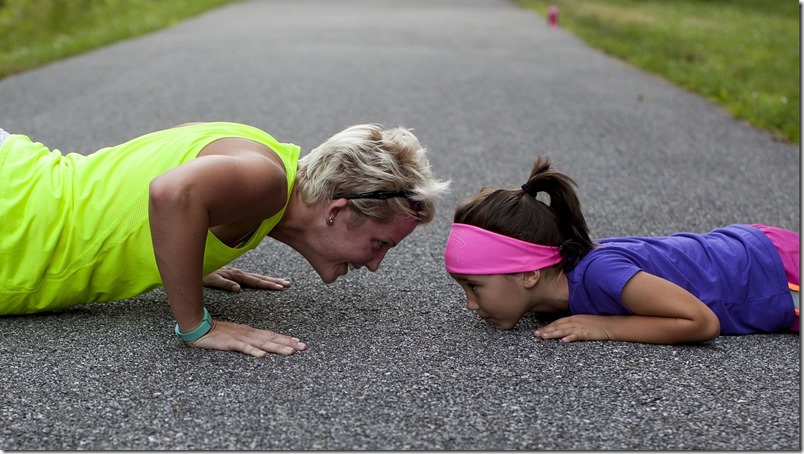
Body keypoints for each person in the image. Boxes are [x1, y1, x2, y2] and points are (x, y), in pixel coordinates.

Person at [0, 121, 450, 357]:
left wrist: (186, 255)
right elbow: (171, 192)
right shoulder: (267, 181)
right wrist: (198, 325)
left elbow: (147, 186)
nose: (375, 264)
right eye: (380, 244)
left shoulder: (266, 164)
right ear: (337, 212)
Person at [444, 156, 799, 345]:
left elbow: (701, 322)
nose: (471, 304)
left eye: (475, 286)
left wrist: (606, 327)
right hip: (757, 250)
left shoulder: (599, 273)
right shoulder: (553, 294)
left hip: (777, 273)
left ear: (528, 273)